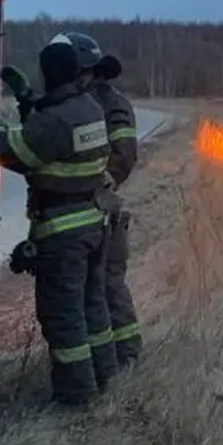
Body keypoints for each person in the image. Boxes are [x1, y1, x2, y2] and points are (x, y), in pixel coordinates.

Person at [0, 35, 113, 405]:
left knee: (63, 317)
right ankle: (105, 376)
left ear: (47, 73)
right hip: (93, 223)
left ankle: (76, 396)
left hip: (64, 232)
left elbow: (12, 151)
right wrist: (27, 102)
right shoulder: (89, 108)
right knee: (92, 307)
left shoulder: (56, 121)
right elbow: (52, 133)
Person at [65, 32, 144, 373]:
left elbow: (125, 155)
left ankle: (127, 355)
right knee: (88, 291)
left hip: (103, 211)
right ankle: (102, 360)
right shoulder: (74, 103)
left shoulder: (113, 104)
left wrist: (100, 185)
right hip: (82, 213)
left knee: (109, 284)